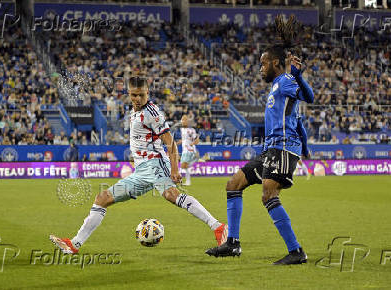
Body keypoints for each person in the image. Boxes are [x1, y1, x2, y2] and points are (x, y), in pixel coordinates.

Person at [50, 76, 227, 254]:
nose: (137, 99)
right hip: (142, 171)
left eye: (141, 95)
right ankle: (74, 245)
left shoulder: (152, 113)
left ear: (147, 92)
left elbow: (170, 141)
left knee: (171, 195)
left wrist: (174, 169)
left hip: (156, 164)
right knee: (102, 199)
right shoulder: (134, 112)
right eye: (134, 95)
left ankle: (217, 227)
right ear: (129, 94)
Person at [206, 16, 314, 265]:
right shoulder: (277, 85)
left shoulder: (286, 82)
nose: (260, 68)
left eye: (264, 63)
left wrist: (298, 76)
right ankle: (232, 244)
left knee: (268, 194)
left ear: (276, 63)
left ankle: (296, 251)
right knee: (233, 185)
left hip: (283, 148)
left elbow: (308, 96)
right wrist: (306, 148)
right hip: (271, 150)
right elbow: (297, 121)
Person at [178, 115, 199, 186]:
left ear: (188, 121)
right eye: (183, 119)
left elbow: (197, 139)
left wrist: (193, 143)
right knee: (183, 166)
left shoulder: (191, 130)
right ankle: (187, 181)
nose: (184, 121)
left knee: (183, 165)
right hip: (185, 150)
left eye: (185, 120)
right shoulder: (182, 130)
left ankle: (185, 181)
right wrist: (176, 143)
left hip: (189, 150)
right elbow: (184, 139)